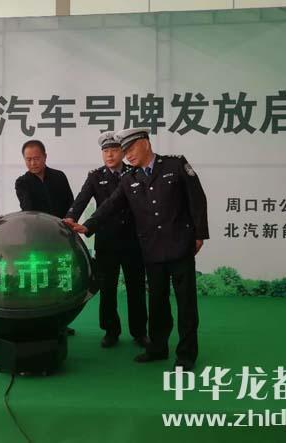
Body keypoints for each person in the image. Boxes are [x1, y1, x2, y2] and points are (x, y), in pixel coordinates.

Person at [64, 128, 208, 371]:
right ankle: (158, 348)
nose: (127, 154)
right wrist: (87, 226)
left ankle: (186, 355)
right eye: (124, 150)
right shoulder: (130, 178)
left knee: (186, 305)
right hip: (151, 249)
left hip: (180, 245)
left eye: (130, 149)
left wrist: (199, 233)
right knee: (157, 303)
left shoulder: (174, 165)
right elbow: (110, 205)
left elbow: (197, 198)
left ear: (146, 144)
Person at [64, 131, 148, 349]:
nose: (110, 155)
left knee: (136, 288)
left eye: (114, 150)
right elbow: (81, 199)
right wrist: (71, 217)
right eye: (106, 151)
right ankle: (111, 331)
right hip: (107, 241)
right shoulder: (95, 176)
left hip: (133, 240)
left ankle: (140, 332)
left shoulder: (135, 172)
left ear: (123, 152)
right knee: (107, 288)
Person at [15, 139, 76, 335]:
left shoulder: (59, 177)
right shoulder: (22, 182)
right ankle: (38, 322)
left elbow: (71, 204)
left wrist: (68, 224)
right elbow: (28, 209)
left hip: (61, 238)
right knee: (39, 284)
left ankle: (60, 322)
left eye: (36, 158)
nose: (33, 163)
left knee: (60, 282)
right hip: (36, 240)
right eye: (28, 159)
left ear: (45, 157)